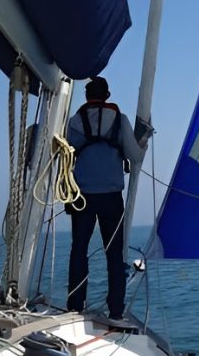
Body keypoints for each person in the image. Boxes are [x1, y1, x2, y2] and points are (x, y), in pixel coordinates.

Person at [66, 76, 143, 320]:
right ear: (107, 96)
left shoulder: (74, 122)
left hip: (82, 197)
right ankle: (116, 310)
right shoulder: (120, 121)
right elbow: (134, 156)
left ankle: (75, 306)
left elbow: (64, 153)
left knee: (79, 250)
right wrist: (143, 141)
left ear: (87, 97)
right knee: (114, 254)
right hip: (111, 197)